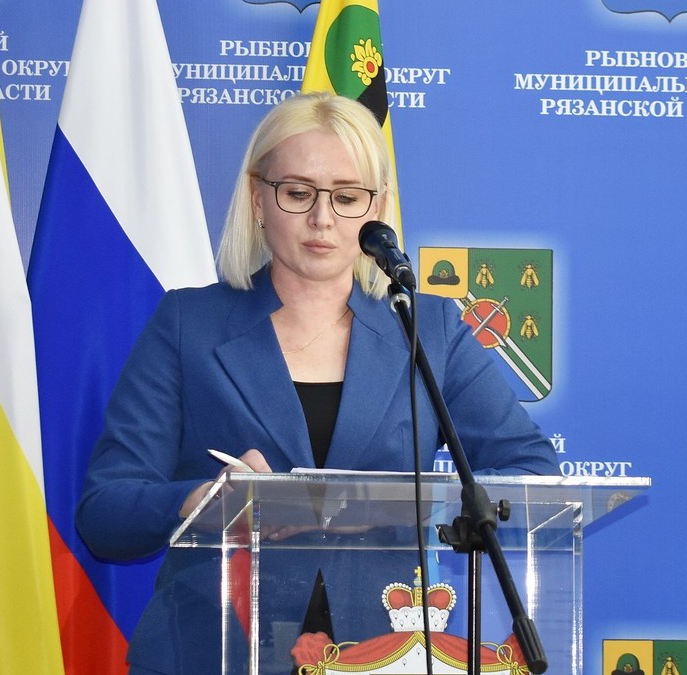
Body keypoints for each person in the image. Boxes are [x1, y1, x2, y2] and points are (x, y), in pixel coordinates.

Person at [76, 92, 558, 675]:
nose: (323, 219)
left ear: (377, 207)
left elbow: (534, 473)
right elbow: (105, 511)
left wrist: (380, 506)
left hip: (385, 653)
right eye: (298, 193)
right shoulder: (187, 325)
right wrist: (201, 503)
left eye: (347, 197)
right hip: (211, 648)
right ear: (257, 199)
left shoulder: (428, 329)